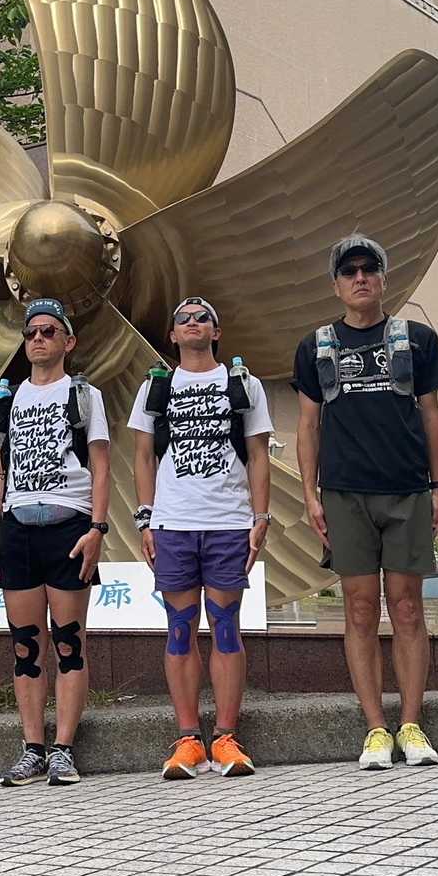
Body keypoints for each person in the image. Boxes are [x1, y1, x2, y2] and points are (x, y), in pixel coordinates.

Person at [292, 235, 438, 770]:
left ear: (384, 279)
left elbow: (431, 415)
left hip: (407, 490)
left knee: (407, 607)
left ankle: (411, 724)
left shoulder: (417, 340)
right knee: (359, 609)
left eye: (369, 269)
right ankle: (375, 729)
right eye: (349, 271)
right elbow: (308, 426)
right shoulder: (316, 346)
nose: (360, 278)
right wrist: (310, 494)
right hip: (344, 493)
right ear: (336, 284)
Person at [128, 297, 273, 780]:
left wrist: (261, 516)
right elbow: (143, 455)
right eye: (183, 319)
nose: (192, 323)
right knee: (180, 627)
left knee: (226, 625)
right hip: (172, 523)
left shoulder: (243, 384)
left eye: (202, 318)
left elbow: (258, 453)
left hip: (229, 521)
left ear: (216, 331)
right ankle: (188, 739)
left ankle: (227, 737)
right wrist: (145, 519)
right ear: (172, 335)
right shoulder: (155, 387)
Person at [0, 298, 110, 786]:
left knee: (69, 641)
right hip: (17, 526)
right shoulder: (8, 398)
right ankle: (32, 747)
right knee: (25, 645)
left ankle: (64, 749)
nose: (38, 338)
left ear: (68, 341)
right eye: (31, 332)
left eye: (49, 331)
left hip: (68, 525)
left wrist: (97, 528)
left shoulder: (84, 395)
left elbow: (101, 465)